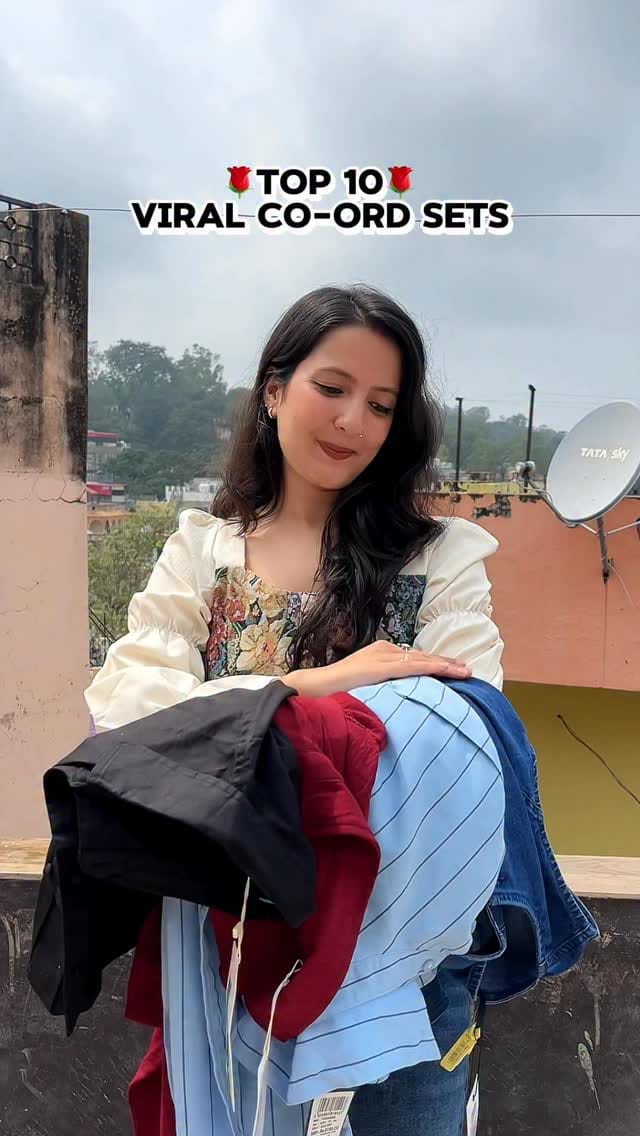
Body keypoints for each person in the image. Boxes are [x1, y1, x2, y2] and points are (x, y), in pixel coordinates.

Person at [85, 283, 504, 1136]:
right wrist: (315, 686)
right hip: (233, 946)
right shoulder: (202, 553)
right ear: (274, 390)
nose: (353, 421)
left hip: (402, 963)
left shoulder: (441, 560)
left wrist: (238, 717)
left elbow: (469, 734)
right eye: (332, 387)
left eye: (381, 404)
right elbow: (135, 719)